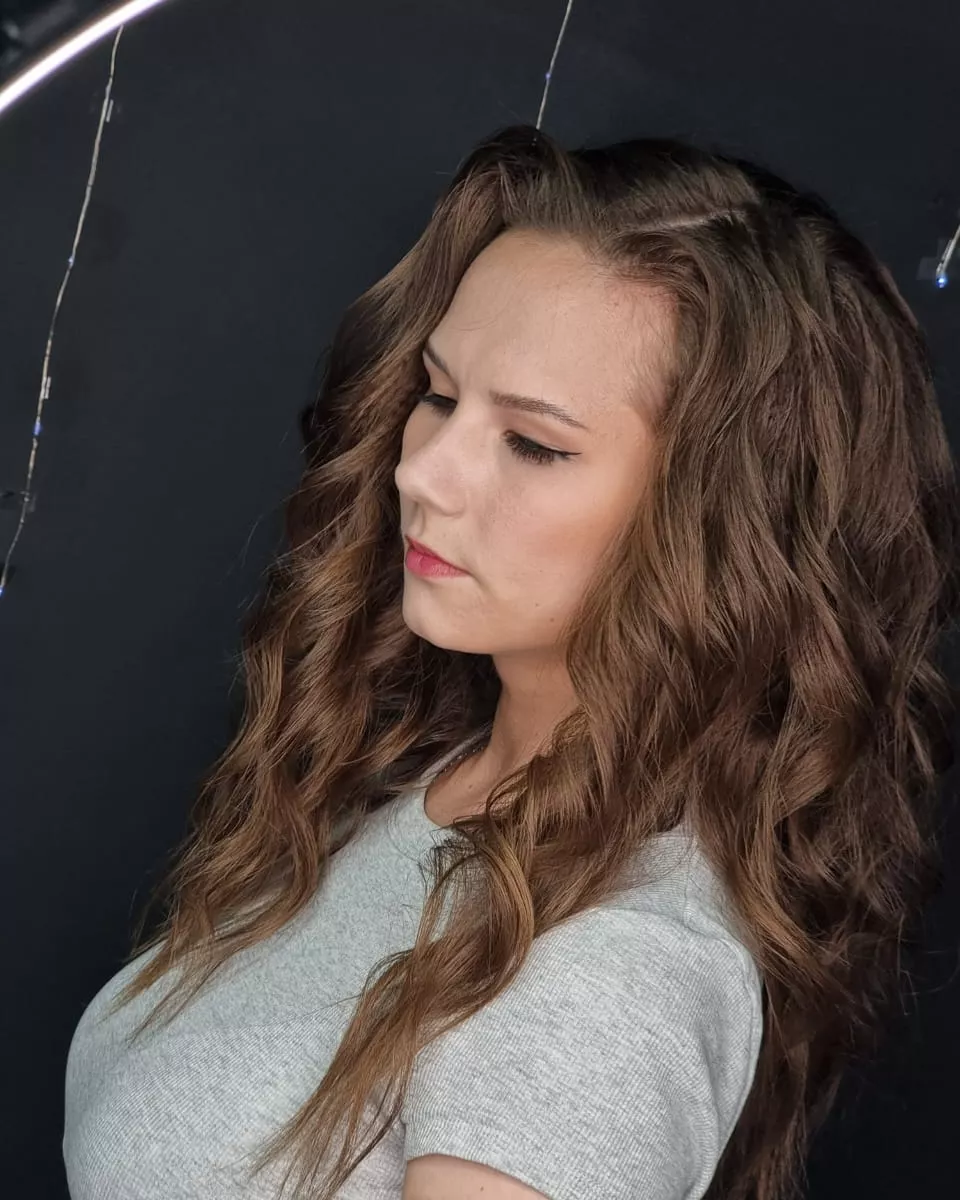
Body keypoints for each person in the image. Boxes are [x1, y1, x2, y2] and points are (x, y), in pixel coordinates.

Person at [62, 123, 960, 1200]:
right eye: (439, 395)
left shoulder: (608, 971)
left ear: (726, 527)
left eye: (533, 444)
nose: (423, 473)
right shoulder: (430, 792)